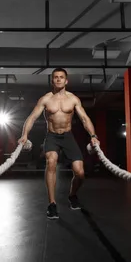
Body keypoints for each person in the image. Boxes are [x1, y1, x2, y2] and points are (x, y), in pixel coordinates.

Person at [18, 68, 100, 219]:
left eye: (61, 77)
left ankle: (72, 195)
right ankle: (52, 204)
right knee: (51, 162)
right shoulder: (46, 99)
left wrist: (93, 135)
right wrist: (24, 135)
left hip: (68, 136)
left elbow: (84, 118)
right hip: (52, 136)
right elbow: (32, 118)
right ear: (52, 80)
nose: (58, 79)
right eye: (55, 77)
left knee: (80, 173)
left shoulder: (73, 99)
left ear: (66, 80)